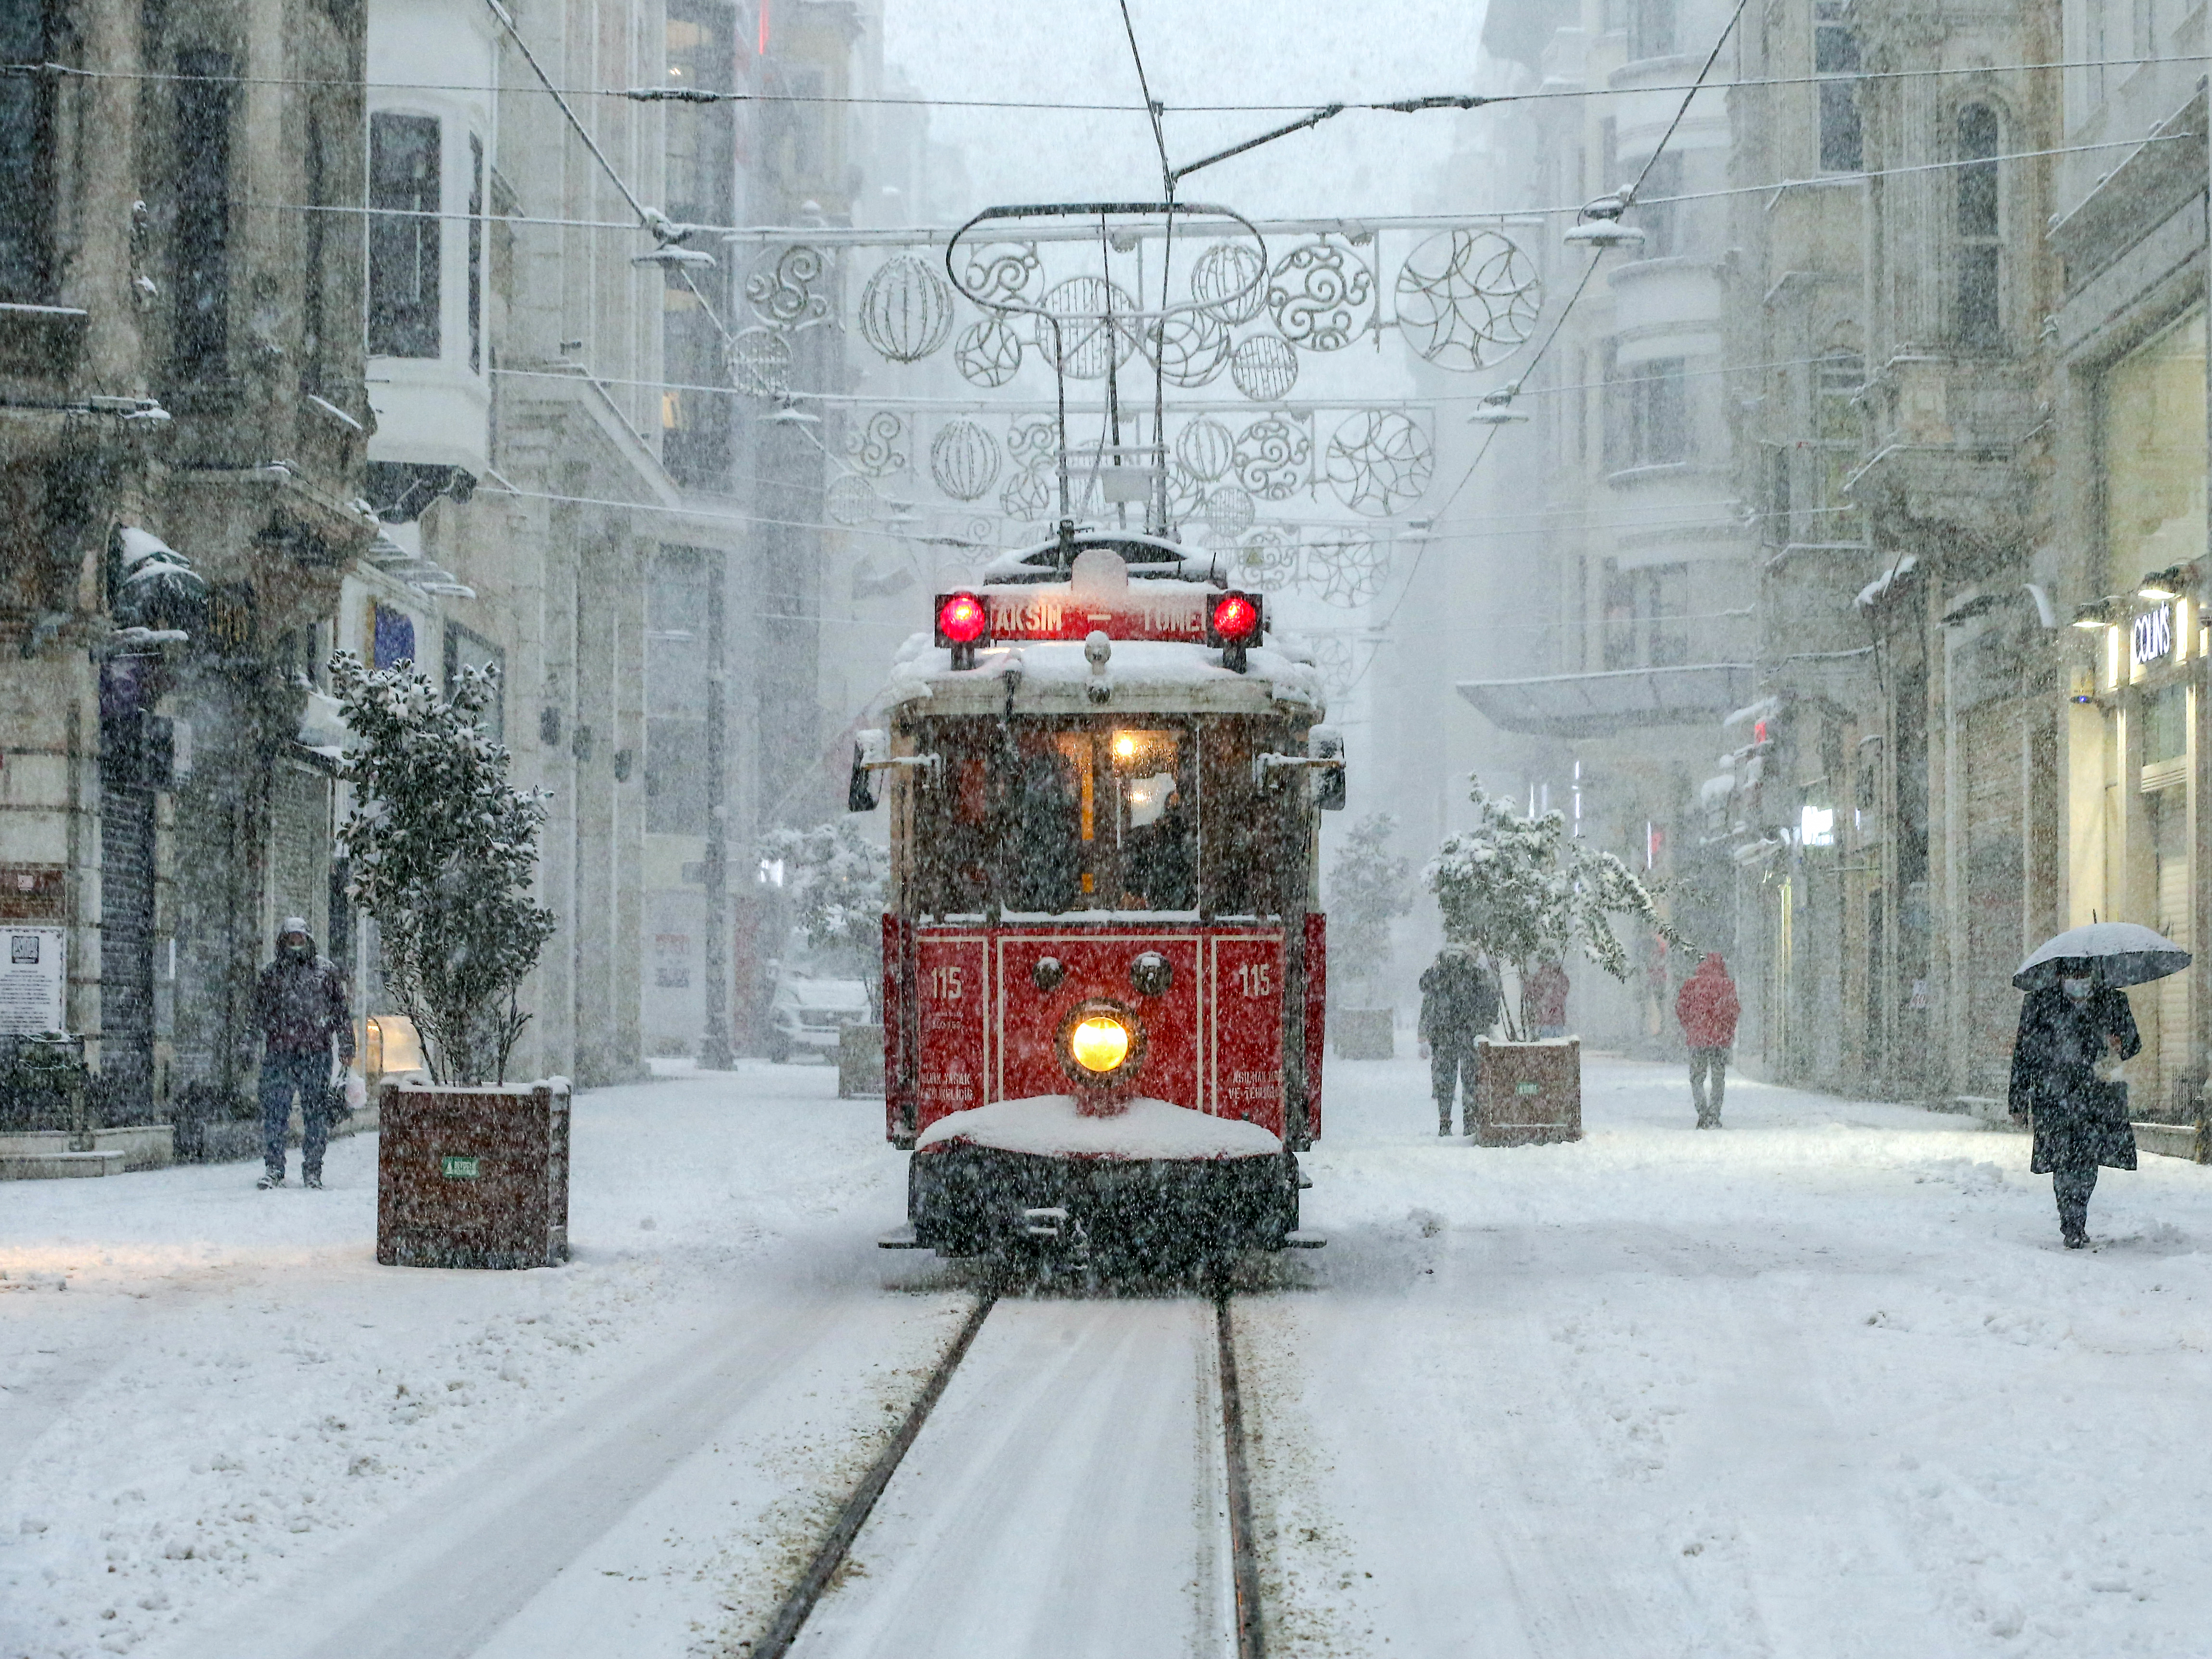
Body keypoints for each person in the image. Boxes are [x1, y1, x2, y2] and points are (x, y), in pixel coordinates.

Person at [2008, 969, 2140, 1248]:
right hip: (2053, 1095)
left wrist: (2120, 1043)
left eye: (2083, 973)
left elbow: (2133, 1042)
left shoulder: (2112, 1001)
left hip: (2097, 1094)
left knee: (2087, 1158)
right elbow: (2024, 1054)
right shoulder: (2039, 1003)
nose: (2078, 980)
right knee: (2062, 1158)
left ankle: (2076, 1216)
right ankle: (2072, 1221)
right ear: (2059, 975)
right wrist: (2018, 1100)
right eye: (2072, 973)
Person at [254, 916, 354, 1190]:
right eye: (291, 937)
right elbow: (258, 1013)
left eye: (300, 937)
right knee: (276, 1112)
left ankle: (313, 1170)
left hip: (316, 1053)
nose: (296, 942)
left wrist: (347, 1045)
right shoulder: (272, 973)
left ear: (308, 939)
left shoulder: (325, 972)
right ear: (284, 940)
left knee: (316, 1114)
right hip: (280, 1054)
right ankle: (274, 1168)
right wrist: (270, 1031)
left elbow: (341, 1013)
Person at [1419, 945, 1501, 1136]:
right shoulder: (1475, 971)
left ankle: (1445, 1122)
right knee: (1470, 1079)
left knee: (1446, 1079)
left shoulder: (1439, 972)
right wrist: (1488, 1019)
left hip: (1443, 1035)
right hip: (1469, 1033)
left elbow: (1424, 985)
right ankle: (1470, 1123)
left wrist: (1435, 967)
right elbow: (1491, 996)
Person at [1675, 953, 1739, 1129]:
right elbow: (1734, 1011)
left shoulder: (1691, 984)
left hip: (1698, 1040)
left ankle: (1703, 1114)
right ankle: (1714, 1114)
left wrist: (1691, 1027)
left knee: (1697, 1078)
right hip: (1719, 1041)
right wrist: (1727, 1031)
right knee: (1718, 1078)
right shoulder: (1727, 985)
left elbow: (1681, 1008)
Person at [1524, 957, 1570, 1040]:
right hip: (1555, 1019)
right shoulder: (1562, 978)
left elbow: (1530, 994)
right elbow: (1562, 996)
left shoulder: (1539, 976)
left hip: (1542, 1019)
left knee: (1543, 1042)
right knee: (1557, 1043)